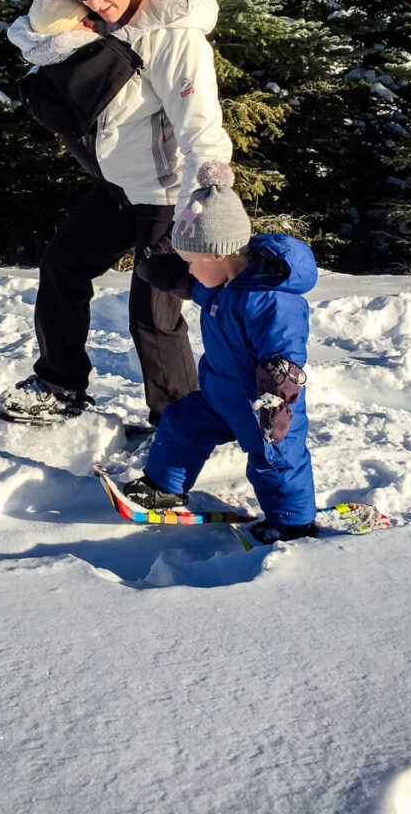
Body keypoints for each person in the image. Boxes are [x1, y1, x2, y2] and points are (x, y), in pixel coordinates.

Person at [1, 0, 233, 425]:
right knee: (62, 266)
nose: (99, 3)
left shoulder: (174, 31)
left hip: (167, 195)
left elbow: (201, 126)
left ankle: (180, 427)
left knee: (153, 316)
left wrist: (211, 196)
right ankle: (59, 385)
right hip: (118, 187)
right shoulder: (89, 10)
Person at [124, 160, 319, 544]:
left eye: (191, 264)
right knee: (181, 422)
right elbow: (188, 285)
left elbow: (284, 358)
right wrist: (157, 269)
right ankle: (164, 486)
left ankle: (292, 522)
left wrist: (276, 403)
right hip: (218, 396)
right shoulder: (219, 283)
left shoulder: (271, 301)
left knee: (276, 460)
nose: (190, 273)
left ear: (217, 254)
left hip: (262, 406)